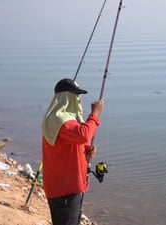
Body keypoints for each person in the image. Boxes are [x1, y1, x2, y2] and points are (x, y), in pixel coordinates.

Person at [41, 78, 104, 225]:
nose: (78, 99)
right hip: (63, 188)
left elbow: (78, 140)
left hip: (69, 185)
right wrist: (95, 114)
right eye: (75, 95)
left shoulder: (67, 120)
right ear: (65, 98)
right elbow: (83, 134)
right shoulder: (58, 120)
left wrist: (86, 150)